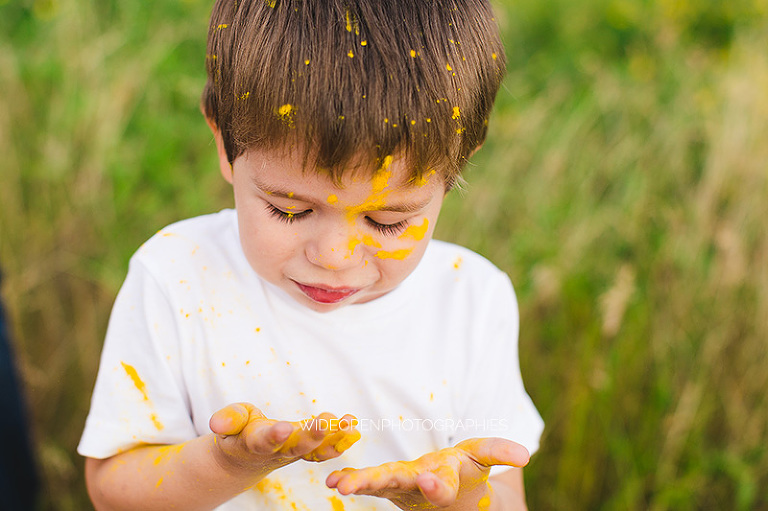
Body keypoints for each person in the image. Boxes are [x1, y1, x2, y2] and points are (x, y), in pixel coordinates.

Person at [78, 1, 544, 509]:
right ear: (222, 141)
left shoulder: (472, 302)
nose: (333, 257)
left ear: (458, 163)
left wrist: (451, 501)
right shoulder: (177, 277)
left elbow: (504, 495)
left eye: (386, 222)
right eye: (288, 211)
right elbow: (111, 490)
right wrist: (229, 464)